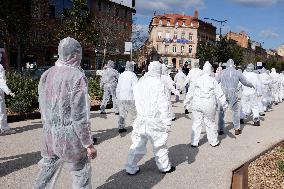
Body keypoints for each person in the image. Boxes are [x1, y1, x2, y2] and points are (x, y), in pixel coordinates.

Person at [33, 37, 97, 189]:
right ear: (75, 54)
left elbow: (43, 105)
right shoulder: (77, 76)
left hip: (50, 135)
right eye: (79, 53)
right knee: (81, 171)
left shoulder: (47, 74)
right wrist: (88, 144)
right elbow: (80, 116)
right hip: (71, 138)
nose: (80, 57)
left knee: (47, 170)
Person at [125, 61, 175, 175]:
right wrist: (167, 122)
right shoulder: (158, 83)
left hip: (141, 119)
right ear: (158, 71)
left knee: (137, 145)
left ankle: (130, 167)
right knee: (159, 145)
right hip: (155, 120)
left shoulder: (140, 83)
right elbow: (163, 105)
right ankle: (164, 167)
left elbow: (136, 101)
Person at [184, 61, 228, 147]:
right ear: (210, 70)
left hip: (197, 104)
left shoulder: (197, 80)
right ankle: (213, 141)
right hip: (209, 104)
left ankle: (194, 142)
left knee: (197, 122)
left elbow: (190, 92)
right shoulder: (213, 80)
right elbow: (220, 93)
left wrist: (187, 102)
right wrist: (225, 104)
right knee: (210, 123)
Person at [216, 59, 254, 135]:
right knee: (235, 111)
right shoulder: (238, 72)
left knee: (221, 111)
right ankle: (237, 129)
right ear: (234, 64)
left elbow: (215, 81)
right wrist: (252, 85)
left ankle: (220, 129)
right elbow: (245, 82)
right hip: (233, 93)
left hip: (224, 93)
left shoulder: (222, 72)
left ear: (226, 64)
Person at [116, 61, 138, 133]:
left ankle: (121, 127)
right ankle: (136, 127)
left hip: (121, 97)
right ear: (132, 67)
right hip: (130, 97)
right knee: (133, 113)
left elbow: (118, 87)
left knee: (122, 113)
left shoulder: (121, 75)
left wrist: (117, 96)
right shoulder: (133, 75)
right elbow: (135, 87)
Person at [0, 53, 16, 135]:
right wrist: (9, 92)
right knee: (1, 111)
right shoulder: (0, 67)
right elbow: (2, 82)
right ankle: (4, 128)